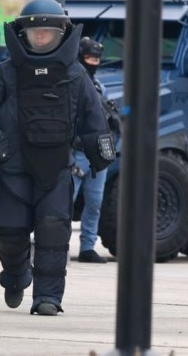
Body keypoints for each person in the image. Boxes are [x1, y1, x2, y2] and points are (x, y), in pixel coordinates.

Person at [0, 0, 113, 316]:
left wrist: (101, 155)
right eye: (36, 33)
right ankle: (16, 275)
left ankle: (48, 296)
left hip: (57, 167)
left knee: (53, 231)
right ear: (23, 35)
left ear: (61, 34)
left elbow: (93, 117)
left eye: (48, 33)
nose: (41, 38)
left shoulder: (76, 75)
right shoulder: (5, 74)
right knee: (10, 231)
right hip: (15, 167)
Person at [72, 36, 119, 264]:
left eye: (96, 59)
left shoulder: (98, 86)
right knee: (63, 202)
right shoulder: (71, 83)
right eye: (89, 58)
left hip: (98, 154)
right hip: (77, 154)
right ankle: (54, 245)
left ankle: (87, 247)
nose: (93, 62)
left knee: (95, 202)